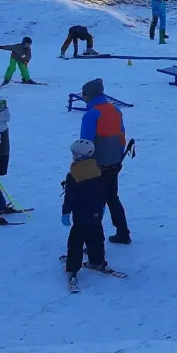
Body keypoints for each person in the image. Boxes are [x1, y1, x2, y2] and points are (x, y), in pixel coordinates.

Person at [78, 78, 131, 244]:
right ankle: (123, 233)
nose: (83, 96)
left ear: (90, 95)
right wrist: (118, 158)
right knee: (112, 198)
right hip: (114, 162)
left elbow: (85, 144)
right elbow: (122, 137)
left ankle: (94, 244)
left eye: (84, 94)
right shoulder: (115, 110)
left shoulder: (91, 115)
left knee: (94, 203)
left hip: (96, 165)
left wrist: (81, 166)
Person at [61, 138, 112, 288]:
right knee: (96, 237)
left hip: (80, 215)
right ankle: (97, 261)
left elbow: (70, 197)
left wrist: (65, 212)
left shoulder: (73, 175)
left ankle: (72, 268)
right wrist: (101, 207)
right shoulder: (98, 170)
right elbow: (103, 191)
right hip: (96, 213)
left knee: (76, 242)